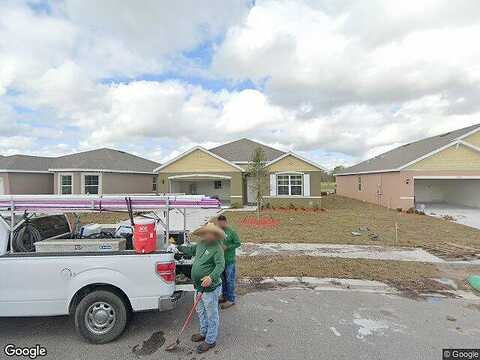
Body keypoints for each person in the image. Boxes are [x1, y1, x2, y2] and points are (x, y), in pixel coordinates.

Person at [177, 222, 225, 354]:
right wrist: (178, 247)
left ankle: (210, 340)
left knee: (211, 314)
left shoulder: (217, 248)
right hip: (198, 287)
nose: (207, 235)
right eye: (205, 233)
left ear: (215, 235)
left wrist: (211, 277)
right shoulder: (201, 244)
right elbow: (190, 250)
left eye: (210, 233)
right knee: (200, 311)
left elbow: (220, 266)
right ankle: (203, 333)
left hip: (210, 288)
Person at [216, 214, 241, 309]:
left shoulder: (232, 232)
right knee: (222, 280)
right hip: (221, 260)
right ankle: (225, 296)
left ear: (225, 222)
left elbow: (238, 243)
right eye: (218, 224)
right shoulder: (218, 232)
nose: (220, 225)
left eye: (221, 223)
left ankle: (231, 300)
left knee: (230, 280)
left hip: (230, 260)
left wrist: (228, 247)